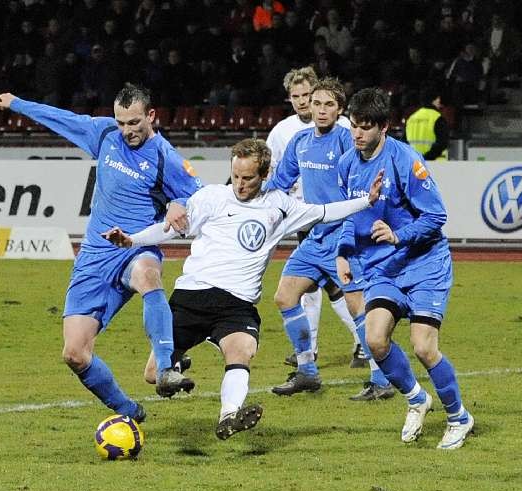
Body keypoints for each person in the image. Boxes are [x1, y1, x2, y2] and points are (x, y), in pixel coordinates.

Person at [102, 138, 384, 439]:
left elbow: (325, 211)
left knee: (242, 350)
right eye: (235, 176)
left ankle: (228, 416)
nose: (239, 184)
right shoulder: (211, 197)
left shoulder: (279, 205)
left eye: (248, 178)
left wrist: (367, 200)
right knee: (152, 375)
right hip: (191, 297)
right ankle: (177, 362)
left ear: (264, 176)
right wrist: (132, 240)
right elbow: (171, 228)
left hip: (236, 304)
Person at [0, 83, 200, 423]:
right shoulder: (104, 135)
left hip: (133, 249)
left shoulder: (165, 157)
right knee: (74, 353)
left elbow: (197, 194)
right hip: (94, 257)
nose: (127, 131)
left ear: (151, 116)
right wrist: (17, 104)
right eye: (121, 123)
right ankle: (129, 412)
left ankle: (164, 369)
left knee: (148, 275)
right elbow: (63, 119)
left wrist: (178, 202)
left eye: (134, 123)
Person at [336, 87, 475, 449]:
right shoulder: (347, 164)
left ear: (384, 127)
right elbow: (350, 215)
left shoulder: (406, 161)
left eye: (365, 127)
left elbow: (436, 215)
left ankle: (459, 417)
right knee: (375, 339)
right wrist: (342, 252)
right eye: (354, 126)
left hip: (425, 263)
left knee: (424, 348)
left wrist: (399, 235)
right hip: (383, 267)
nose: (357, 134)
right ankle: (416, 399)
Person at [265, 77, 394, 401]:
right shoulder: (300, 141)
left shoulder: (347, 142)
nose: (320, 110)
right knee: (285, 296)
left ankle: (382, 380)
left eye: (328, 105)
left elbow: (360, 189)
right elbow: (280, 182)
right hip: (314, 236)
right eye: (316, 103)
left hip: (343, 237)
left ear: (339, 110)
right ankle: (307, 371)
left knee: (356, 307)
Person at [404, 87, 449, 161]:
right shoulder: (437, 118)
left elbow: (403, 144)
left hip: (415, 164)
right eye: (438, 99)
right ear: (435, 100)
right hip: (437, 164)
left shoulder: (412, 118)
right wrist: (426, 158)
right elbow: (442, 143)